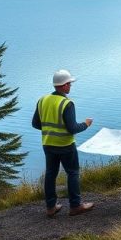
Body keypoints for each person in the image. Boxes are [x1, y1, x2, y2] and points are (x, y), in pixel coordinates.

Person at [32, 69, 95, 217]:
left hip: (48, 144)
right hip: (65, 145)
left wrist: (49, 129)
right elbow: (72, 128)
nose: (70, 86)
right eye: (69, 83)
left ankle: (51, 207)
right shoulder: (67, 103)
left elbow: (35, 123)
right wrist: (86, 124)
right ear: (64, 86)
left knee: (50, 174)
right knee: (72, 173)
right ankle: (75, 206)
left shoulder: (42, 100)